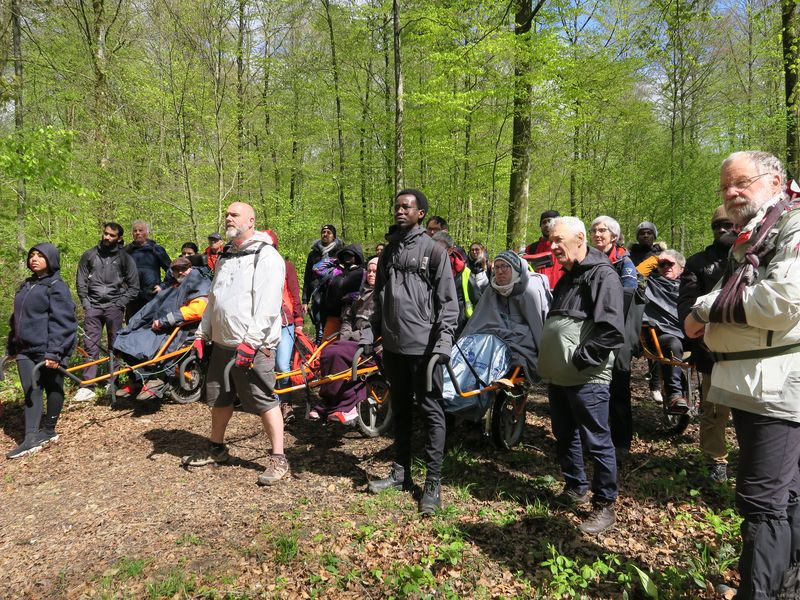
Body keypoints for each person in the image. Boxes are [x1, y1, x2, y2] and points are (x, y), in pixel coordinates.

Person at [685, 151, 800, 599]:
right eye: (725, 186)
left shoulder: (791, 225)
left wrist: (702, 310)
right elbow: (734, 292)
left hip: (778, 385)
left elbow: (785, 300)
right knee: (785, 495)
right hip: (757, 383)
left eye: (741, 183)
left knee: (763, 501)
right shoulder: (754, 235)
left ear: (773, 180)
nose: (731, 193)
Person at [361, 189, 458, 515]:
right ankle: (401, 473)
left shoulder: (434, 252)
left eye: (407, 207)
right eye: (397, 206)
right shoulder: (388, 253)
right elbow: (379, 299)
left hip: (425, 350)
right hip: (393, 348)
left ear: (420, 214)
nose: (400, 211)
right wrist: (368, 334)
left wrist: (442, 347)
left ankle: (432, 483)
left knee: (431, 413)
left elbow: (448, 305)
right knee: (400, 410)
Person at [183, 202, 289, 486]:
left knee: (264, 400)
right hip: (222, 343)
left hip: (253, 346)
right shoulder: (227, 256)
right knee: (219, 398)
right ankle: (216, 448)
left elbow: (268, 305)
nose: (228, 218)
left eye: (234, 215)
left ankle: (278, 458)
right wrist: (201, 336)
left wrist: (251, 343)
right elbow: (214, 300)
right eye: (226, 214)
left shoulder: (266, 256)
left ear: (251, 220)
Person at [537, 216, 624, 535]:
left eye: (559, 240)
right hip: (561, 377)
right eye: (552, 240)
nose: (553, 246)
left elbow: (611, 331)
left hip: (587, 377)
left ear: (580, 238)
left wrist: (579, 359)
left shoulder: (602, 275)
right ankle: (575, 488)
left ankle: (604, 505)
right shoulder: (566, 278)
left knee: (596, 439)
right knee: (566, 435)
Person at [678, 205, 736, 484]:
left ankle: (754, 460)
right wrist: (699, 335)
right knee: (713, 409)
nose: (723, 230)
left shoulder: (757, 255)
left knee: (754, 410)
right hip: (711, 348)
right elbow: (687, 303)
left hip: (752, 349)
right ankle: (717, 460)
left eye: (729, 224)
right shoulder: (698, 262)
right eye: (718, 226)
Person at [6, 243, 77, 459]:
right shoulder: (26, 285)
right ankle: (31, 438)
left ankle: (48, 429)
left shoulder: (56, 286)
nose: (34, 259)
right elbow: (16, 319)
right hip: (25, 349)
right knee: (30, 390)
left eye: (40, 256)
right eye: (32, 256)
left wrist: (54, 352)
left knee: (53, 386)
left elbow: (64, 322)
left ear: (51, 259)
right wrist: (11, 345)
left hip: (48, 348)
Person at [113, 257, 211, 400]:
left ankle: (156, 380)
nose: (180, 272)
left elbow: (198, 310)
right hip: (162, 326)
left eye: (183, 269)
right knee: (126, 339)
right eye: (176, 270)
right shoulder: (173, 286)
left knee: (148, 345)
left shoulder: (198, 282)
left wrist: (165, 320)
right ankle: (137, 380)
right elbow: (150, 308)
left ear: (190, 268)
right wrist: (132, 326)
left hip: (182, 328)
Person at [589, 216, 641, 456]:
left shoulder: (624, 263)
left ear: (614, 236)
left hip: (619, 331)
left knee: (618, 386)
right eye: (594, 230)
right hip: (592, 329)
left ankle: (621, 443)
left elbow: (627, 297)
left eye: (603, 231)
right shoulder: (586, 259)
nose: (598, 234)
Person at [459, 251, 550, 379]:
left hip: (522, 343)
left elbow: (539, 327)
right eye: (496, 267)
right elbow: (476, 321)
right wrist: (461, 345)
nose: (500, 271)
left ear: (515, 268)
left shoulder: (529, 291)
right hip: (497, 340)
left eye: (504, 267)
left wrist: (546, 362)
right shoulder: (492, 289)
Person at [74, 222, 139, 402]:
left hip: (114, 307)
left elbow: (134, 287)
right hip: (93, 307)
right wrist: (86, 304)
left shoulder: (125, 258)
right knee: (90, 346)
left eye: (111, 235)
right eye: (105, 234)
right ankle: (88, 385)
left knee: (115, 346)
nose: (107, 237)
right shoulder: (89, 255)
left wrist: (119, 303)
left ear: (119, 238)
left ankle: (113, 381)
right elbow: (80, 282)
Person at [310, 256, 379, 423]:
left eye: (375, 272)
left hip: (371, 344)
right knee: (328, 351)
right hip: (352, 339)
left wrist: (354, 335)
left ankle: (346, 406)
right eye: (369, 271)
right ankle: (328, 402)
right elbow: (347, 317)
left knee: (338, 354)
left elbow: (378, 324)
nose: (371, 274)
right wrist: (346, 332)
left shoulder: (384, 296)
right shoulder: (358, 294)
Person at [264, 230, 303, 424]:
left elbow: (295, 294)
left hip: (285, 322)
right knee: (266, 366)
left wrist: (299, 322)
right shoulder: (255, 268)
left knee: (282, 365)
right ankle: (270, 405)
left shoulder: (286, 266)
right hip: (263, 324)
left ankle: (285, 403)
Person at [644, 249, 688, 413]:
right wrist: (654, 259)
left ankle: (710, 398)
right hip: (661, 335)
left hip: (689, 332)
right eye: (661, 264)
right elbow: (634, 275)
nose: (665, 267)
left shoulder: (690, 286)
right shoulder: (651, 284)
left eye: (670, 263)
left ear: (681, 268)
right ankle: (674, 395)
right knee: (672, 343)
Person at [303, 224, 345, 344]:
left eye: (328, 232)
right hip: (317, 296)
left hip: (334, 296)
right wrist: (305, 300)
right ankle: (318, 355)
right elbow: (308, 277)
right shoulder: (313, 254)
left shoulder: (340, 253)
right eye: (323, 232)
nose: (325, 234)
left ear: (334, 236)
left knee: (332, 327)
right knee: (319, 328)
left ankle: (329, 351)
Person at [432, 231, 478, 336]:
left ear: (451, 250)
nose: (434, 253)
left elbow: (477, 298)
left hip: (458, 324)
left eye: (439, 250)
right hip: (430, 322)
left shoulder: (464, 271)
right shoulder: (426, 267)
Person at [124, 220, 171, 319]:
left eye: (141, 230)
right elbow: (118, 271)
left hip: (151, 296)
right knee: (131, 325)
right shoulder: (126, 251)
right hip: (132, 297)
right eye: (135, 231)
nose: (137, 233)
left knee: (150, 325)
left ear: (147, 232)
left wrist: (163, 286)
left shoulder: (156, 249)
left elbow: (171, 270)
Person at [320, 244, 365, 339]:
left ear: (356, 257)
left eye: (350, 255)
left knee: (345, 347)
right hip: (333, 315)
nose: (346, 257)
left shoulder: (363, 273)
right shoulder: (336, 271)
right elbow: (317, 269)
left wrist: (351, 297)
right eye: (344, 255)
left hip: (351, 318)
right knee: (327, 346)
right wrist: (334, 261)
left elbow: (366, 292)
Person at [523, 210, 563, 290]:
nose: (547, 225)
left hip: (561, 292)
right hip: (538, 293)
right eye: (544, 222)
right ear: (540, 226)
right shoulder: (531, 248)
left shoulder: (565, 245)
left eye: (550, 221)